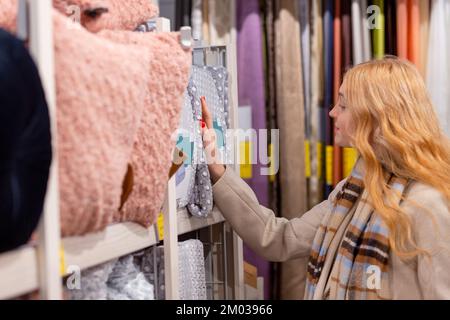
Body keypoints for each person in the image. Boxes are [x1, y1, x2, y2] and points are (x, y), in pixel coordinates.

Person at [200, 56, 450, 300]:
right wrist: (218, 170)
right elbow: (280, 239)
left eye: (343, 105)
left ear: (374, 116)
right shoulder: (352, 191)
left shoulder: (427, 204)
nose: (331, 113)